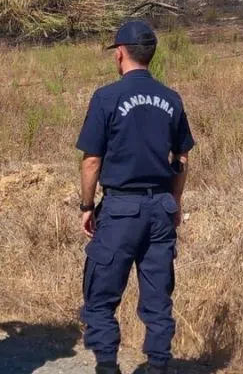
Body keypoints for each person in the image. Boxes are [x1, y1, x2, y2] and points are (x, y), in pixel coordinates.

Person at [77, 20, 194, 374]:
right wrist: (174, 204)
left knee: (100, 297)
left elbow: (92, 161)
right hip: (160, 207)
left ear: (121, 53)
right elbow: (183, 159)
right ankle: (158, 365)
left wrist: (86, 206)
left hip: (121, 210)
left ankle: (108, 366)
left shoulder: (106, 97)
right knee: (158, 297)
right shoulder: (171, 99)